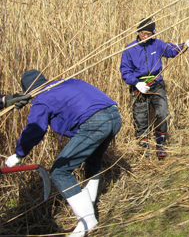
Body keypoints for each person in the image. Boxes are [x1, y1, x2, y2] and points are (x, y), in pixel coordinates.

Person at [5, 70, 122, 237]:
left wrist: (18, 154)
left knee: (59, 171)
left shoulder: (42, 99)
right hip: (114, 116)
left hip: (95, 123)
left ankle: (87, 221)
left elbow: (34, 130)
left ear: (29, 90)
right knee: (93, 159)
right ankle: (88, 205)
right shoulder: (67, 82)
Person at [120, 18, 189, 158]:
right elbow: (125, 71)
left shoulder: (157, 44)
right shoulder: (130, 49)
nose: (146, 37)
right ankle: (144, 150)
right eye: (143, 33)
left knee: (162, 113)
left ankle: (160, 145)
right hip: (138, 86)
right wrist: (136, 83)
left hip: (156, 84)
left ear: (153, 33)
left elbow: (171, 51)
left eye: (149, 34)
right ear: (138, 32)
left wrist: (185, 45)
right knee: (141, 117)